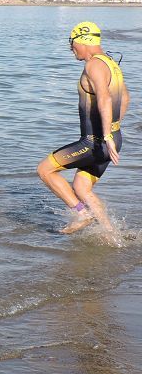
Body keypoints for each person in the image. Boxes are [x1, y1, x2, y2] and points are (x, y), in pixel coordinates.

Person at [37, 22, 130, 235]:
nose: (71, 49)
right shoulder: (111, 64)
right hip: (114, 139)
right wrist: (114, 130)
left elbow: (105, 98)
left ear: (83, 41)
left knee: (45, 170)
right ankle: (111, 235)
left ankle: (81, 213)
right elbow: (124, 97)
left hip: (95, 141)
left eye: (72, 44)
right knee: (81, 187)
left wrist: (105, 134)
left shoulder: (94, 65)